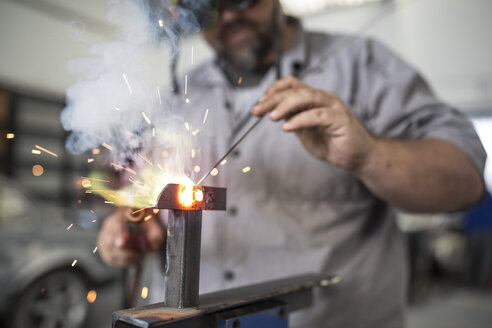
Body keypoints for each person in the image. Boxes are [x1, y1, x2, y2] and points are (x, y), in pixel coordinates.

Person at [97, 0, 486, 326]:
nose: (231, 14)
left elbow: (466, 180)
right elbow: (140, 188)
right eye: (211, 7)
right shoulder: (180, 91)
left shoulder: (361, 64)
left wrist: (368, 154)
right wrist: (132, 224)